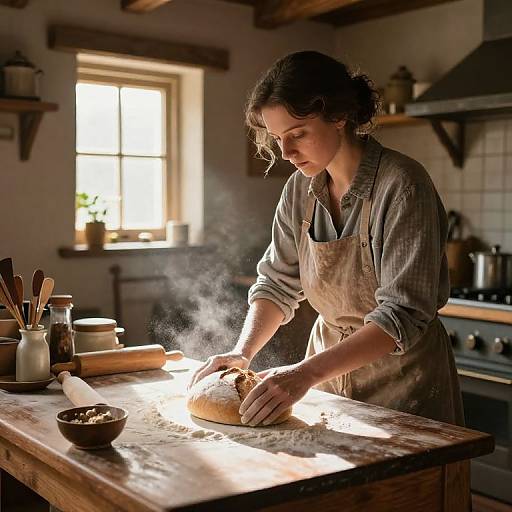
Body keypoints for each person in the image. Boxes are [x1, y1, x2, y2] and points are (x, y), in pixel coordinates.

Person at [189, 50, 463, 428]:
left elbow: (401, 314)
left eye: (298, 134)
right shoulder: (299, 191)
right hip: (325, 378)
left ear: (339, 116)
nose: (285, 152)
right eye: (277, 138)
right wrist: (242, 352)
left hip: (404, 385)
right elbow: (277, 283)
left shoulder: (402, 186)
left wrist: (303, 374)